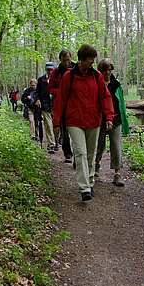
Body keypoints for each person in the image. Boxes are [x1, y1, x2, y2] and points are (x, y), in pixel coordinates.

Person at [53, 44, 114, 201]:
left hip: (94, 120)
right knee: (80, 153)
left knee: (90, 154)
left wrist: (109, 117)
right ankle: (84, 188)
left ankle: (91, 181)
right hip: (74, 121)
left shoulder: (96, 76)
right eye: (89, 61)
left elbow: (105, 97)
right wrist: (57, 121)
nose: (92, 64)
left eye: (93, 61)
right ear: (81, 60)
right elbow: (61, 99)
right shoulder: (69, 76)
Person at [94, 59, 130, 187]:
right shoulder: (96, 83)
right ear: (100, 70)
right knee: (99, 145)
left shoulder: (116, 84)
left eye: (110, 69)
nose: (108, 72)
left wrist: (125, 122)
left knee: (116, 146)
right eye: (105, 70)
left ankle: (117, 174)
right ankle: (96, 169)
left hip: (116, 119)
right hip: (100, 120)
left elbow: (121, 104)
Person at [48, 49, 75, 163]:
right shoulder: (56, 72)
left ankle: (77, 154)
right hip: (61, 104)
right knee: (65, 130)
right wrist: (61, 92)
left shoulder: (75, 69)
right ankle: (67, 153)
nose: (66, 62)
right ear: (60, 59)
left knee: (75, 128)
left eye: (68, 59)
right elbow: (50, 88)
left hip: (74, 104)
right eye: (64, 60)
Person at [37, 62, 57, 153]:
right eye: (48, 69)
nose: (50, 71)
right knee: (48, 125)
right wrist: (37, 100)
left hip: (56, 105)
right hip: (45, 105)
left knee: (57, 126)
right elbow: (37, 92)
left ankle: (56, 141)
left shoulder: (58, 79)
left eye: (51, 69)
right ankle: (51, 144)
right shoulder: (41, 80)